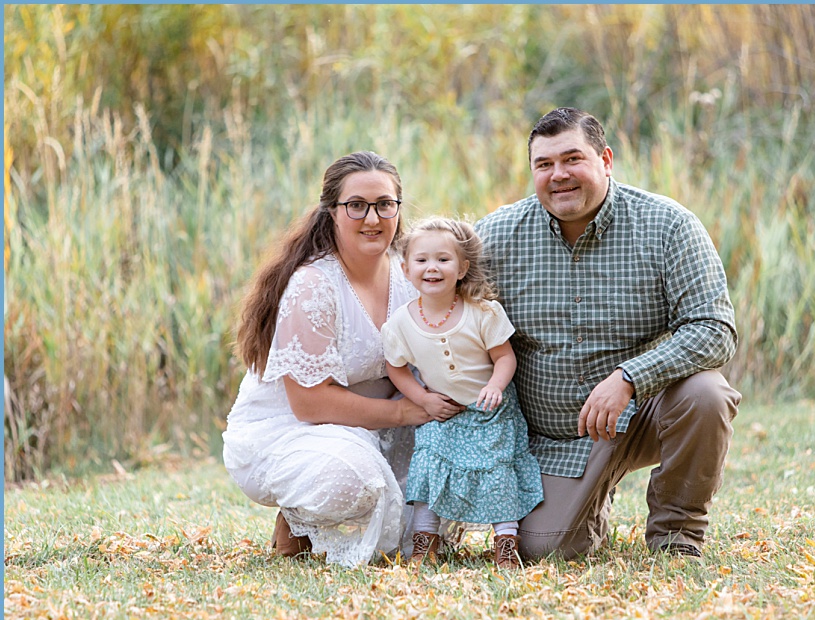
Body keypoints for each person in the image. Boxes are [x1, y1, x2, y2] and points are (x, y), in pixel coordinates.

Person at [474, 107, 742, 561]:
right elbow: (440, 305)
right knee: (545, 551)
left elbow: (714, 329)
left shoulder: (667, 226)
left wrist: (629, 377)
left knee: (706, 394)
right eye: (544, 164)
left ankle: (676, 535)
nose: (559, 175)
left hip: (639, 416)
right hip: (550, 437)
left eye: (572, 159)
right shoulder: (496, 237)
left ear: (606, 160)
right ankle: (587, 498)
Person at [222, 151, 449, 568]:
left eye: (385, 204)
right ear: (331, 212)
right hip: (290, 430)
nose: (373, 218)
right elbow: (308, 403)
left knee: (446, 471)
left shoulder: (410, 275)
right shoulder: (313, 285)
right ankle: (297, 518)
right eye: (356, 206)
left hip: (375, 426)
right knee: (359, 482)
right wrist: (401, 414)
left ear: (399, 208)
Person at [381, 218, 543, 570]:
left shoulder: (483, 312)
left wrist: (495, 386)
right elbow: (396, 368)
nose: (432, 268)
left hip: (490, 412)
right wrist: (422, 399)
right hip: (442, 411)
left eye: (443, 259)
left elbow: (504, 357)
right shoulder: (400, 324)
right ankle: (425, 545)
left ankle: (505, 544)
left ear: (462, 267)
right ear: (406, 268)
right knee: (429, 469)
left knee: (496, 474)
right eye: (421, 260)